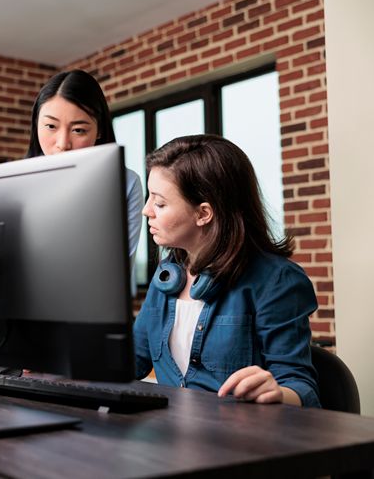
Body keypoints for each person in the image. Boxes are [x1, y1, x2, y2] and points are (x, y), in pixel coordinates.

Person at [134, 134, 320, 407]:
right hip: (171, 440)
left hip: (241, 441)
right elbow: (130, 362)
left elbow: (301, 386)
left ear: (203, 213)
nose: (146, 210)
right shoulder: (167, 276)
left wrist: (278, 393)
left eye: (160, 203)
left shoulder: (277, 280)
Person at [26, 69, 143, 267]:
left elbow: (119, 269)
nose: (63, 143)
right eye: (51, 126)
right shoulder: (17, 183)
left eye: (78, 130)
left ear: (99, 131)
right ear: (36, 124)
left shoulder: (125, 183)